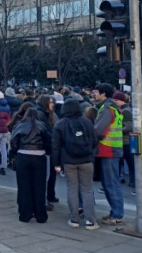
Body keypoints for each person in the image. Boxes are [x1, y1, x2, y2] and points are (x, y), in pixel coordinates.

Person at [52, 99, 100, 230]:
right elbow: (95, 141)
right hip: (87, 160)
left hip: (69, 161)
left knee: (72, 190)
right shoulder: (87, 122)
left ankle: (74, 219)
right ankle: (91, 221)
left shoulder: (60, 124)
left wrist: (56, 164)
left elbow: (56, 147)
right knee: (87, 190)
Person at [10, 108, 51, 223]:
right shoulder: (41, 125)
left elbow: (13, 141)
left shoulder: (20, 125)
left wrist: (14, 152)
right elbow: (47, 141)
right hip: (39, 156)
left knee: (24, 186)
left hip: (23, 155)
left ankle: (25, 214)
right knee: (39, 186)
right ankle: (40, 215)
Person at [93, 83, 125, 225]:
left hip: (108, 148)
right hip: (113, 148)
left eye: (96, 92)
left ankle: (117, 214)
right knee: (110, 183)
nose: (94, 94)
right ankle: (115, 212)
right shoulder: (114, 108)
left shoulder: (106, 109)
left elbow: (98, 130)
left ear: (103, 94)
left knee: (111, 183)